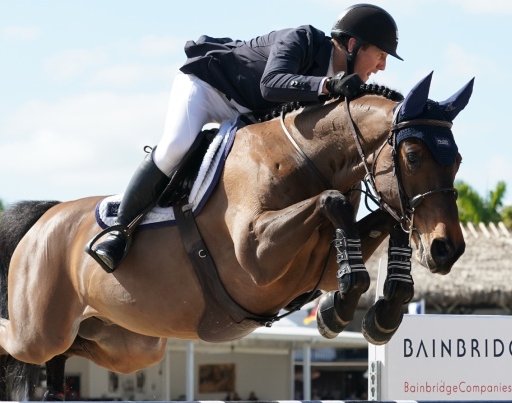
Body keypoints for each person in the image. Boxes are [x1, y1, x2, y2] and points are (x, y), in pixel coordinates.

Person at [89, 4, 403, 271]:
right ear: (352, 46)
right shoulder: (302, 39)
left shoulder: (341, 84)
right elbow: (271, 84)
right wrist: (327, 87)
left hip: (246, 118)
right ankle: (118, 232)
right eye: (379, 54)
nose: (382, 65)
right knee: (176, 146)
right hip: (207, 89)